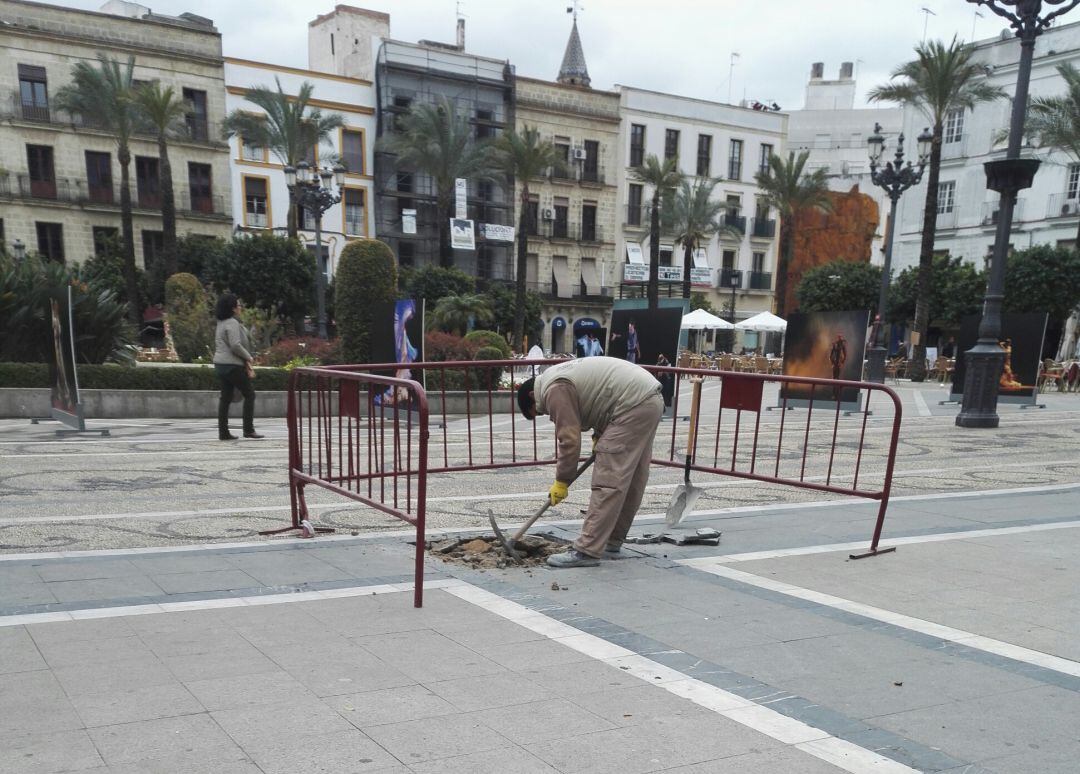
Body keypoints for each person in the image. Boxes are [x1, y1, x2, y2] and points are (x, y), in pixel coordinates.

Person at [517, 357, 664, 568]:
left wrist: (562, 481)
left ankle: (587, 550)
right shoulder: (559, 375)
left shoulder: (554, 389)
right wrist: (600, 435)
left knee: (608, 481)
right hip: (649, 400)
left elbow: (569, 440)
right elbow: (600, 398)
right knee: (632, 477)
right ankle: (611, 541)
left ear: (533, 395)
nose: (547, 413)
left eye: (540, 411)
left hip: (631, 405)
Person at [213, 293, 263, 441]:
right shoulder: (232, 323)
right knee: (249, 394)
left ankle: (223, 432)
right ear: (233, 308)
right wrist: (248, 357)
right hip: (232, 365)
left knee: (225, 398)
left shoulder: (221, 322)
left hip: (220, 364)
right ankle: (248, 430)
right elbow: (235, 345)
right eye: (239, 305)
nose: (240, 307)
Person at [656, 353, 675, 417]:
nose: (660, 360)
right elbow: (658, 373)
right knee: (659, 395)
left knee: (665, 394)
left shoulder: (667, 362)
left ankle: (665, 407)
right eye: (659, 359)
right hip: (660, 381)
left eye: (661, 358)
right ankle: (661, 408)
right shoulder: (658, 363)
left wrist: (664, 372)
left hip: (666, 381)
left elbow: (669, 371)